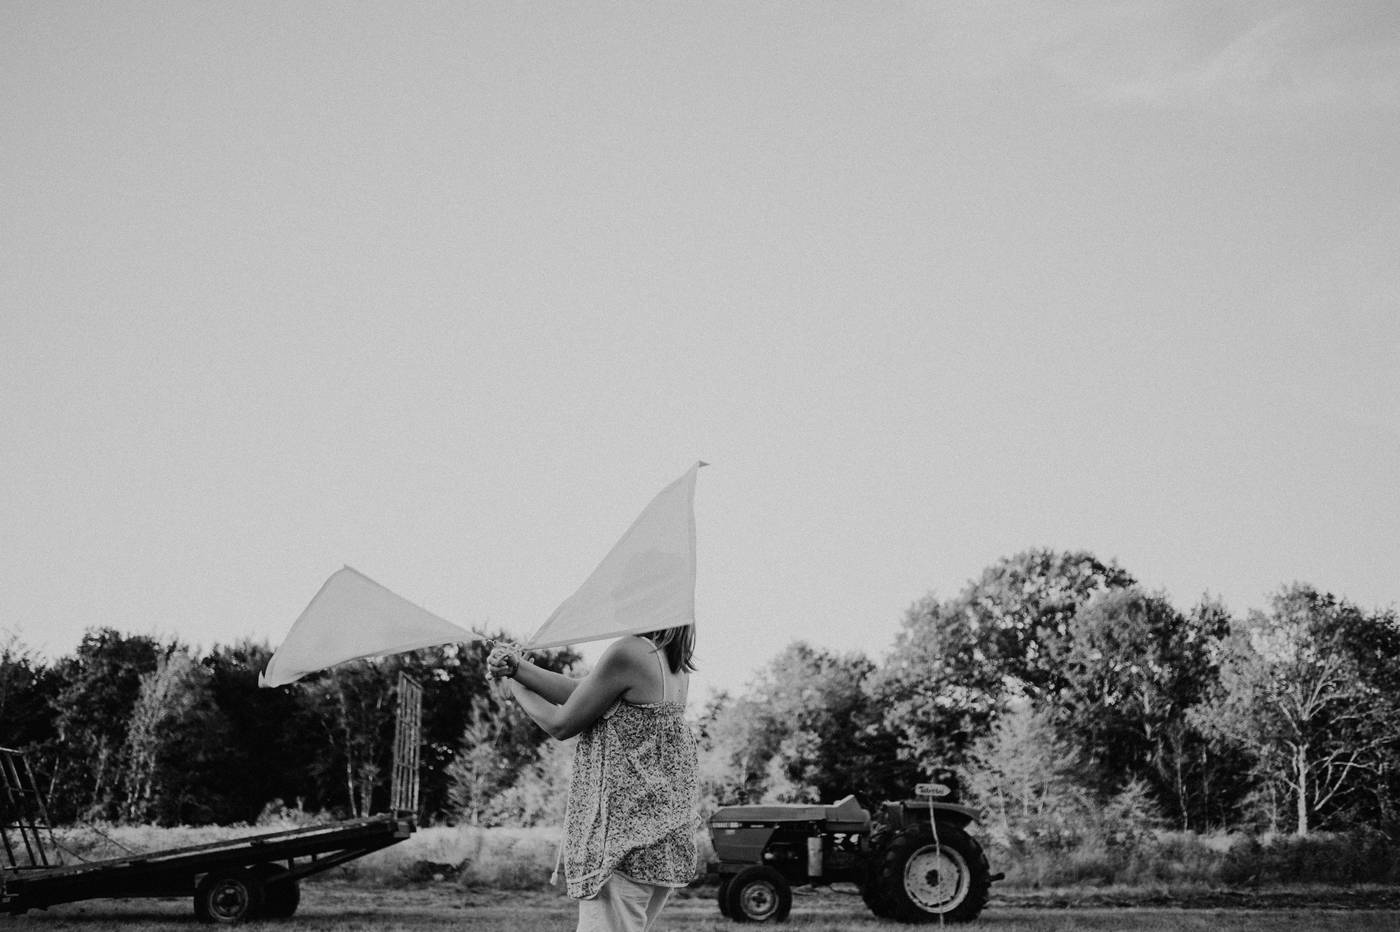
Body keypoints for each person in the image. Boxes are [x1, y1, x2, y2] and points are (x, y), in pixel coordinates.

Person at [487, 626, 699, 932]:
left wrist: (515, 687)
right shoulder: (670, 661)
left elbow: (561, 724)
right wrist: (519, 669)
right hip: (657, 846)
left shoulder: (630, 650)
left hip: (621, 848)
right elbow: (583, 692)